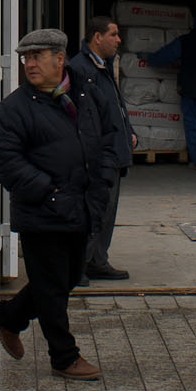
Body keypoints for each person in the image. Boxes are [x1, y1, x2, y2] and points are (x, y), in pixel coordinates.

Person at [0, 28, 117, 380]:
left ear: (60, 59)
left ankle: (8, 317)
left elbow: (107, 138)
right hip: (41, 212)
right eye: (26, 57)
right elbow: (6, 163)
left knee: (68, 277)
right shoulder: (12, 110)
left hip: (82, 205)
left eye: (37, 56)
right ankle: (64, 357)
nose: (29, 64)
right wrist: (49, 191)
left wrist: (102, 181)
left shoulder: (87, 95)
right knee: (53, 287)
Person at [67, 16, 133, 284]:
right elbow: (82, 116)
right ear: (97, 37)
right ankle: (79, 266)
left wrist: (129, 133)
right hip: (97, 155)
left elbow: (114, 107)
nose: (119, 40)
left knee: (107, 211)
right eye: (114, 35)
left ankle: (97, 261)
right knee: (93, 211)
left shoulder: (104, 66)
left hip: (113, 151)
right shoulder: (81, 69)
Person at [146, 9, 196, 171]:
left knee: (193, 124)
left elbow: (164, 56)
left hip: (190, 89)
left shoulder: (184, 41)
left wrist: (148, 58)